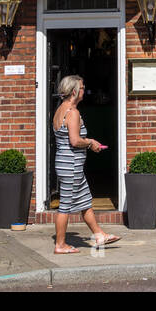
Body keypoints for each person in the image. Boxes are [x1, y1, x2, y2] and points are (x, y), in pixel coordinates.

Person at [52, 74, 121, 254]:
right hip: (71, 165)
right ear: (74, 91)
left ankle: (99, 235)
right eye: (82, 88)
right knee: (65, 205)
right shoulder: (73, 113)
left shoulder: (60, 110)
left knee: (84, 201)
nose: (84, 90)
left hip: (65, 163)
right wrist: (90, 142)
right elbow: (75, 141)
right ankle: (60, 245)